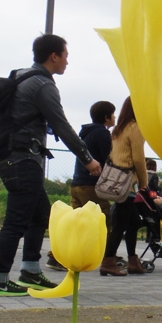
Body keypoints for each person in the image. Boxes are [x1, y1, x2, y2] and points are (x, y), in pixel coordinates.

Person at [0, 35, 101, 295]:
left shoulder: (21, 76)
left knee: (40, 213)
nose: (67, 61)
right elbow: (63, 126)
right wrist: (88, 159)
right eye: (65, 55)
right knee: (16, 220)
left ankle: (30, 270)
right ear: (54, 56)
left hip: (13, 157)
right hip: (22, 159)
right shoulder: (42, 85)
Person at [46, 100, 116, 271]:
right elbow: (108, 159)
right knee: (102, 220)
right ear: (107, 118)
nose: (115, 117)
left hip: (77, 184)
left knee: (74, 225)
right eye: (113, 114)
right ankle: (106, 256)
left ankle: (56, 257)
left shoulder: (85, 132)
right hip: (91, 186)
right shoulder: (102, 133)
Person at [99, 98, 148, 277]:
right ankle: (108, 261)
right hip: (127, 181)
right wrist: (144, 183)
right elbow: (138, 158)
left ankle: (133, 261)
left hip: (116, 179)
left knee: (133, 221)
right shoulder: (135, 128)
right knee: (119, 224)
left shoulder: (118, 129)